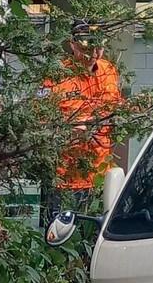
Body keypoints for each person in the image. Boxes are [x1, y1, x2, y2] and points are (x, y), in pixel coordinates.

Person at [45, 30, 124, 201]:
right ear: (73, 44)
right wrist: (69, 126)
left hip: (100, 176)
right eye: (87, 48)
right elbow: (41, 117)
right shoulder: (56, 75)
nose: (94, 54)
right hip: (64, 179)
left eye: (98, 48)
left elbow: (114, 107)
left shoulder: (108, 70)